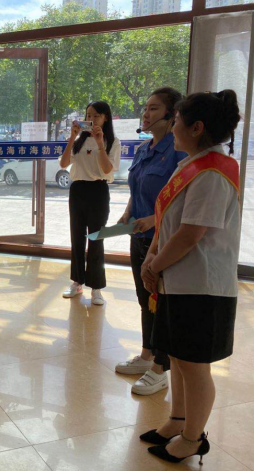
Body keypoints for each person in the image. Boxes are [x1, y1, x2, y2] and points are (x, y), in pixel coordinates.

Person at [140, 90, 241, 464]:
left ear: (196, 128)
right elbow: (168, 221)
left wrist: (154, 265)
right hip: (179, 281)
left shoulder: (213, 172)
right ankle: (177, 421)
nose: (173, 128)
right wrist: (152, 257)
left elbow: (190, 233)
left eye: (177, 121)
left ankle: (193, 438)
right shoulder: (192, 165)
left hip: (203, 287)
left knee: (195, 367)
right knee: (179, 358)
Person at [115, 87, 187, 396]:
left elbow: (181, 199)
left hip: (163, 240)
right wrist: (127, 214)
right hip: (139, 237)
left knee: (162, 304)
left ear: (172, 115)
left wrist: (154, 221)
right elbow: (137, 188)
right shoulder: (145, 148)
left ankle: (160, 367)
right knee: (145, 299)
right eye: (146, 107)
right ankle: (146, 354)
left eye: (154, 108)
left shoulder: (179, 151)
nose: (146, 114)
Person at [59, 101, 121, 306]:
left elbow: (107, 169)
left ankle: (96, 287)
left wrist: (101, 144)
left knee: (96, 238)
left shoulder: (113, 141)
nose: (91, 119)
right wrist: (72, 137)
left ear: (105, 118)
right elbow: (64, 164)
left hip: (98, 191)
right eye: (88, 115)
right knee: (77, 237)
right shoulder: (79, 141)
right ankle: (77, 282)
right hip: (77, 190)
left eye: (96, 116)